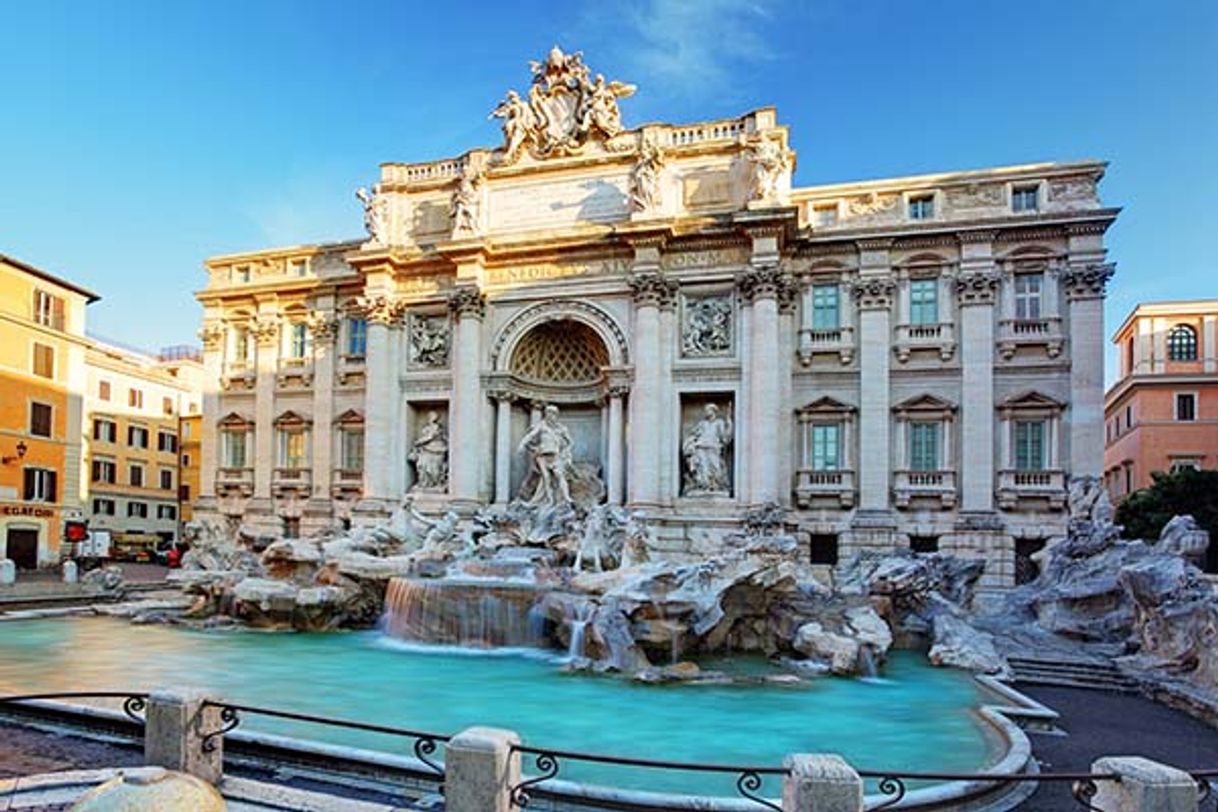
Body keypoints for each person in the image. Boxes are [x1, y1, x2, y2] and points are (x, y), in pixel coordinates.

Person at [517, 405, 573, 507]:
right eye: (548, 413)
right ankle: (549, 500)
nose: (550, 415)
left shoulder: (561, 428)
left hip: (555, 456)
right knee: (546, 477)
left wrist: (567, 455)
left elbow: (569, 442)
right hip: (542, 456)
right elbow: (531, 436)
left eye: (552, 413)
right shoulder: (541, 426)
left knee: (559, 476)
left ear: (556, 415)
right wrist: (522, 444)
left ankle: (566, 497)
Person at [682, 403, 733, 493]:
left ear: (713, 411)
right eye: (705, 410)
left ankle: (715, 485)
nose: (706, 412)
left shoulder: (719, 422)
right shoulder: (702, 423)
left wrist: (729, 424)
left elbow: (724, 437)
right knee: (702, 468)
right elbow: (694, 434)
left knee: (715, 467)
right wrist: (690, 442)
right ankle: (703, 486)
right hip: (701, 447)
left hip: (713, 448)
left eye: (708, 410)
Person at [410, 412, 449, 489]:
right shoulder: (427, 428)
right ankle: (424, 483)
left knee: (435, 469)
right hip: (426, 449)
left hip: (438, 450)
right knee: (422, 465)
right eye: (430, 416)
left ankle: (435, 483)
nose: (431, 418)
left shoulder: (438, 428)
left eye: (433, 416)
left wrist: (418, 442)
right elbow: (426, 437)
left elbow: (431, 437)